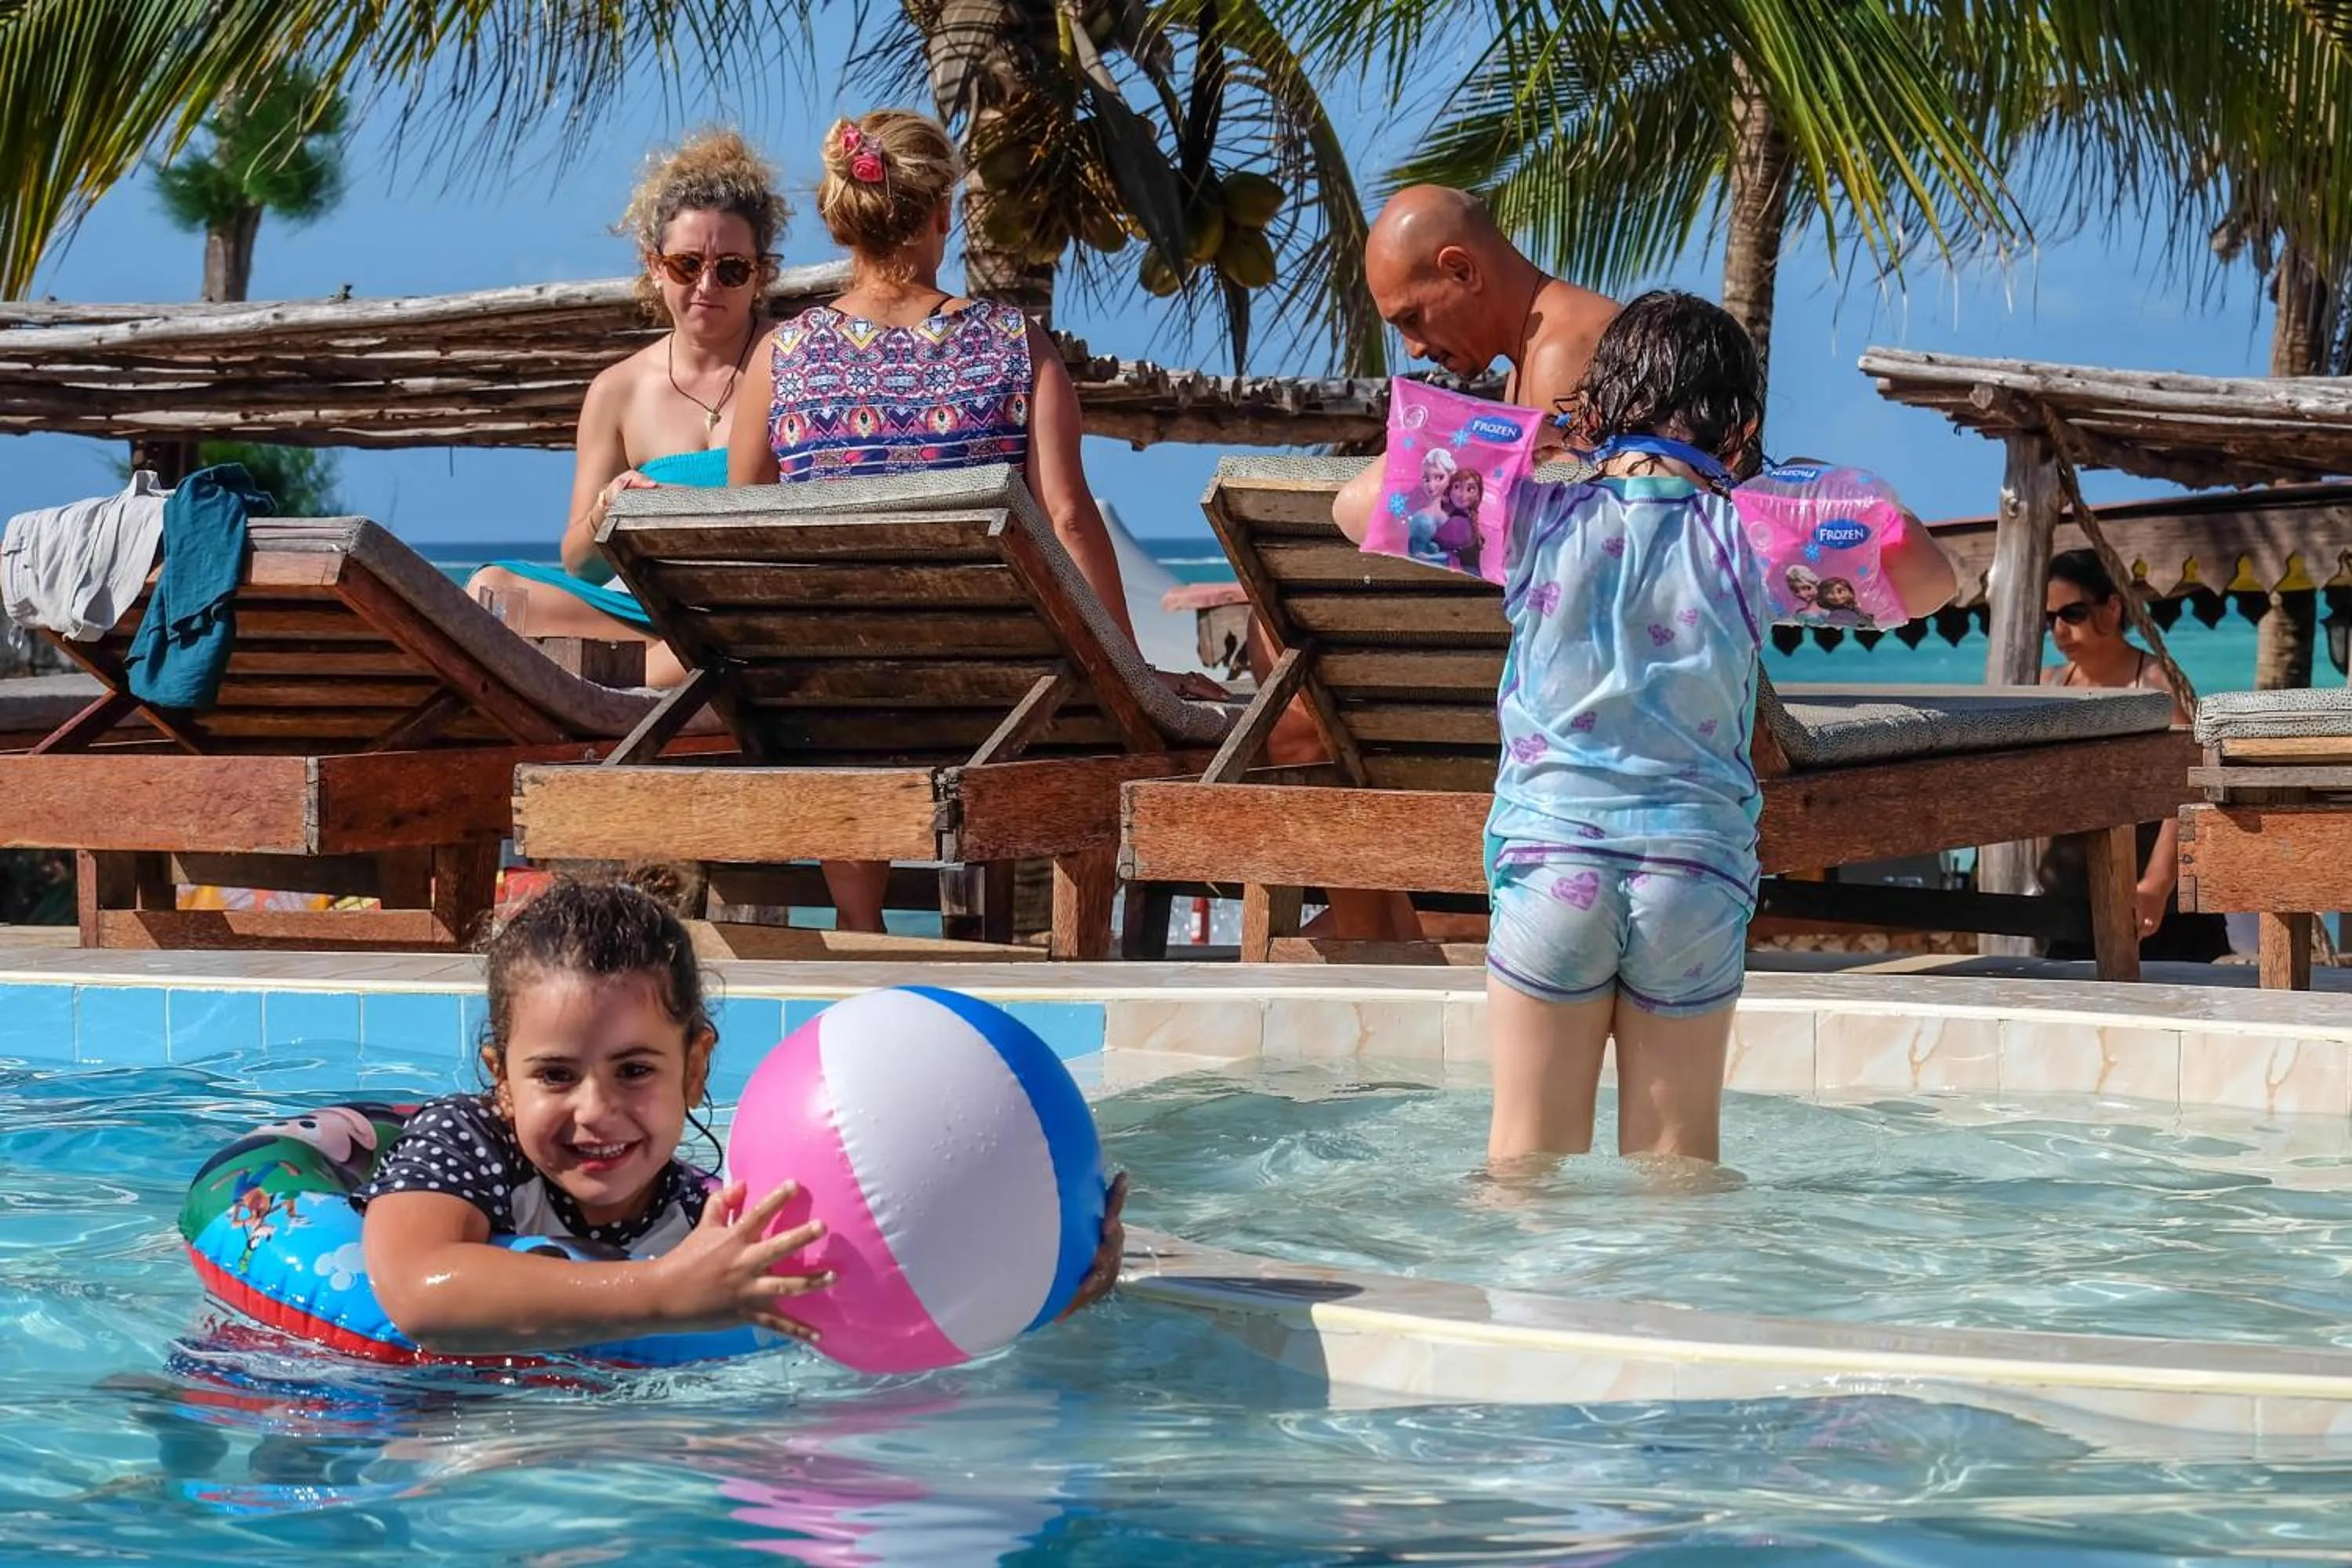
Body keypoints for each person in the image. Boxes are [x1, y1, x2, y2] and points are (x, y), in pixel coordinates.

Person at [1338, 289, 1951, 1166]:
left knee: (1524, 1160)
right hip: (1691, 877)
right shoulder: (1750, 534)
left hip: (1553, 865)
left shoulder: (1535, 515)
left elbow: (1359, 506)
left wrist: (1529, 437)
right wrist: (1793, 489)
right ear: (1736, 429)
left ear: (1598, 406)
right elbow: (1932, 580)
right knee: (1678, 1165)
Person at [731, 109, 1219, 932]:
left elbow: (747, 533)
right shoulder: (1013, 344)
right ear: (942, 215)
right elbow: (1068, 517)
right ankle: (1065, 937)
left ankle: (859, 922)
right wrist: (1131, 673)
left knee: (842, 666)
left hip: (833, 698)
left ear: (842, 218)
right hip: (1000, 699)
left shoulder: (780, 357)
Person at [358, 877, 1127, 1353]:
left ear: (694, 1066)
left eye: (634, 1069)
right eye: (554, 1074)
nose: (596, 1110)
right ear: (500, 1079)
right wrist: (661, 1293)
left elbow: (882, 1312)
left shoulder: (709, 1216)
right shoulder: (466, 1141)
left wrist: (1035, 1289)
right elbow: (420, 1288)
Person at [468, 131, 791, 687]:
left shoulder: (795, 360)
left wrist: (679, 505)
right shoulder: (619, 390)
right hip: (647, 610)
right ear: (655, 267)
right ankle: (663, 677)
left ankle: (622, 685)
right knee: (491, 591)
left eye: (732, 269)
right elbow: (579, 562)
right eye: (688, 264)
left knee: (757, 629)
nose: (708, 285)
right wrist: (609, 510)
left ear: (761, 272)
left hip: (754, 598)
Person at [2038, 549, 2230, 962]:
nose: (2058, 630)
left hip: (2167, 908)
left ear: (2111, 608)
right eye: (2048, 618)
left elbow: (2189, 789)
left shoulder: (2157, 684)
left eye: (2072, 614)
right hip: (2073, 899)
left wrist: (2156, 886)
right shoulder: (2045, 687)